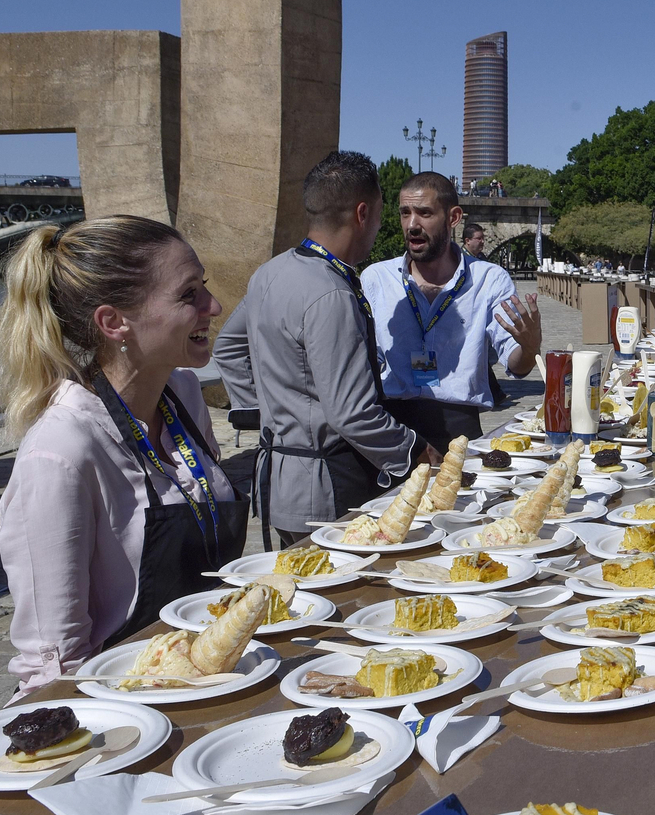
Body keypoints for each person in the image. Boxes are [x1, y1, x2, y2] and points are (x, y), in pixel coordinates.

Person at [0, 217, 247, 692]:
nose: (213, 306)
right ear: (114, 322)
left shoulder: (183, 395)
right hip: (125, 707)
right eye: (187, 294)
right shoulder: (60, 453)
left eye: (205, 288)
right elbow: (55, 662)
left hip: (207, 681)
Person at [216, 151, 437, 548]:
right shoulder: (330, 291)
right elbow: (351, 412)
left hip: (280, 479)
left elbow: (228, 347)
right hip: (328, 488)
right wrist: (415, 449)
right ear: (363, 213)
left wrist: (262, 413)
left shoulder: (270, 272)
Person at [361, 171, 542, 446]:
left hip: (460, 432)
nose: (412, 224)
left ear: (453, 217)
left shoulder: (489, 279)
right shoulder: (376, 279)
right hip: (393, 431)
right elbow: (363, 366)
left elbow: (518, 367)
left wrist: (529, 347)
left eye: (424, 213)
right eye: (405, 212)